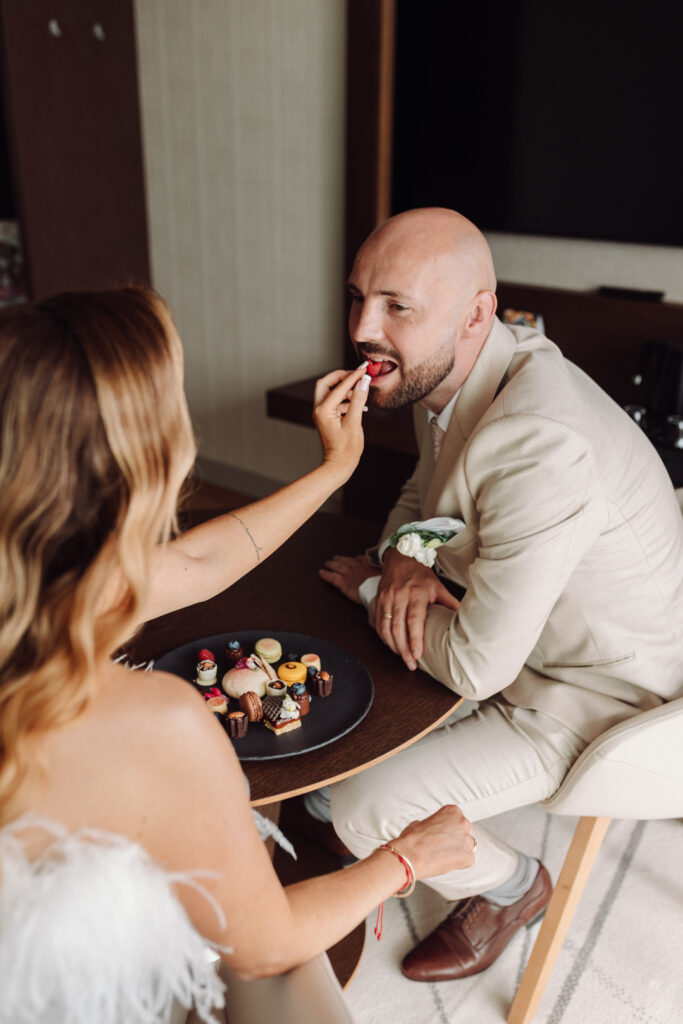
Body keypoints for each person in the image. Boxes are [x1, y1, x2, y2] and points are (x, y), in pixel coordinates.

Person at [0, 285, 477, 1023]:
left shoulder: (38, 582)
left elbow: (198, 563)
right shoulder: (158, 724)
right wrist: (408, 857)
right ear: (148, 465)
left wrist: (333, 470)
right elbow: (264, 945)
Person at [320, 207, 683, 983]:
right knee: (335, 723)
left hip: (597, 699)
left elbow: (476, 665)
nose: (361, 329)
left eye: (395, 306)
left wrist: (375, 585)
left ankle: (514, 886)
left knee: (357, 806)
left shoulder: (538, 440)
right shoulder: (468, 367)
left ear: (474, 314)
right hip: (515, 632)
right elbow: (421, 495)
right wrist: (408, 557)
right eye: (357, 298)